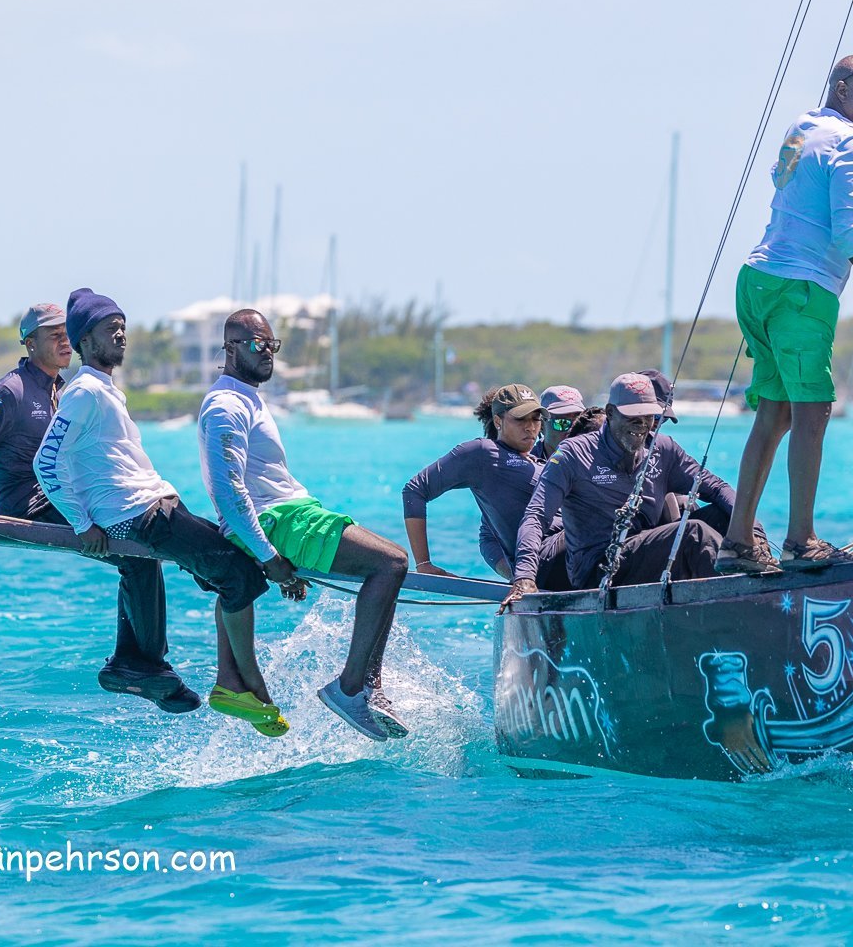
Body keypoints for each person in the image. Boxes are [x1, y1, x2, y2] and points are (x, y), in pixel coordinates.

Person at [717, 55, 853, 575]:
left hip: (756, 281)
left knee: (776, 411)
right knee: (812, 413)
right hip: (800, 291)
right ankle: (801, 540)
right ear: (841, 87)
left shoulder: (802, 127)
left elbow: (779, 178)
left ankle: (737, 542)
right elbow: (847, 233)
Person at [33, 289, 275, 720]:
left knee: (220, 564)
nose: (121, 334)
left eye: (123, 325)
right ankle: (239, 686)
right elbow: (45, 461)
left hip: (149, 511)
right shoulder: (85, 391)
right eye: (111, 329)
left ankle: (136, 662)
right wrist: (81, 523)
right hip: (137, 517)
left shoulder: (106, 391)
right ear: (86, 340)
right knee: (240, 575)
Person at [0, 303, 181, 712]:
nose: (63, 340)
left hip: (67, 496)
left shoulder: (66, 388)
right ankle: (142, 664)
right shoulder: (10, 392)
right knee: (136, 550)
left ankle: (135, 662)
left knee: (140, 548)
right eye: (51, 334)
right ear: (29, 342)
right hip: (28, 504)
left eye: (65, 333)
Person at [200, 309, 410, 741]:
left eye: (272, 345)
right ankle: (353, 687)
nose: (268, 353)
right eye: (258, 344)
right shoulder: (226, 406)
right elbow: (228, 493)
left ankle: (367, 687)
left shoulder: (249, 398)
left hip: (291, 515)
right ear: (230, 348)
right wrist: (270, 557)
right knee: (390, 563)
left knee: (389, 564)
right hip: (279, 522)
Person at [505, 373, 735, 604]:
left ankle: (758, 586)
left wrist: (751, 534)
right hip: (599, 568)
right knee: (693, 533)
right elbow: (536, 516)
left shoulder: (663, 449)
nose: (642, 424)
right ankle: (736, 601)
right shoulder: (572, 454)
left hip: (643, 549)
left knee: (723, 516)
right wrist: (524, 577)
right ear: (611, 413)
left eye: (649, 416)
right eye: (633, 416)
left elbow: (716, 487)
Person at [403, 384, 568, 587]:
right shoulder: (483, 453)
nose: (530, 427)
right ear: (498, 420)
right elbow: (414, 490)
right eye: (520, 419)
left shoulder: (540, 462)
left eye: (535, 419)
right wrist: (424, 564)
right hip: (544, 560)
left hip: (570, 552)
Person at [537, 385, 586, 459]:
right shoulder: (524, 467)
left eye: (578, 423)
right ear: (541, 426)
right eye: (562, 423)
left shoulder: (597, 460)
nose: (572, 430)